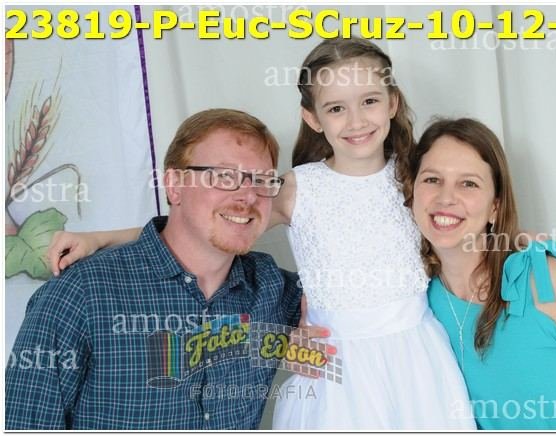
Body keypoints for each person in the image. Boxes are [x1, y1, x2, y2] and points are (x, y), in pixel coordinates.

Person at [45, 38, 475, 430]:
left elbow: (466, 223)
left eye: (369, 101)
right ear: (312, 117)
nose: (356, 120)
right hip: (335, 366)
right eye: (336, 109)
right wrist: (100, 238)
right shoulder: (298, 189)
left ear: (392, 102)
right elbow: (197, 227)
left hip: (416, 358)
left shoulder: (418, 176)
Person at [6, 109, 321, 429]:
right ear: (174, 185)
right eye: (224, 176)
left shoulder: (271, 288)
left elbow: (348, 308)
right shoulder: (82, 293)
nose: (248, 196)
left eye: (262, 180)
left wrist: (312, 342)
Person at [403, 117, 556, 430]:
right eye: (432, 179)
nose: (446, 197)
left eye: (468, 183)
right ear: (412, 192)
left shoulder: (543, 280)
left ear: (495, 207)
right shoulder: (417, 299)